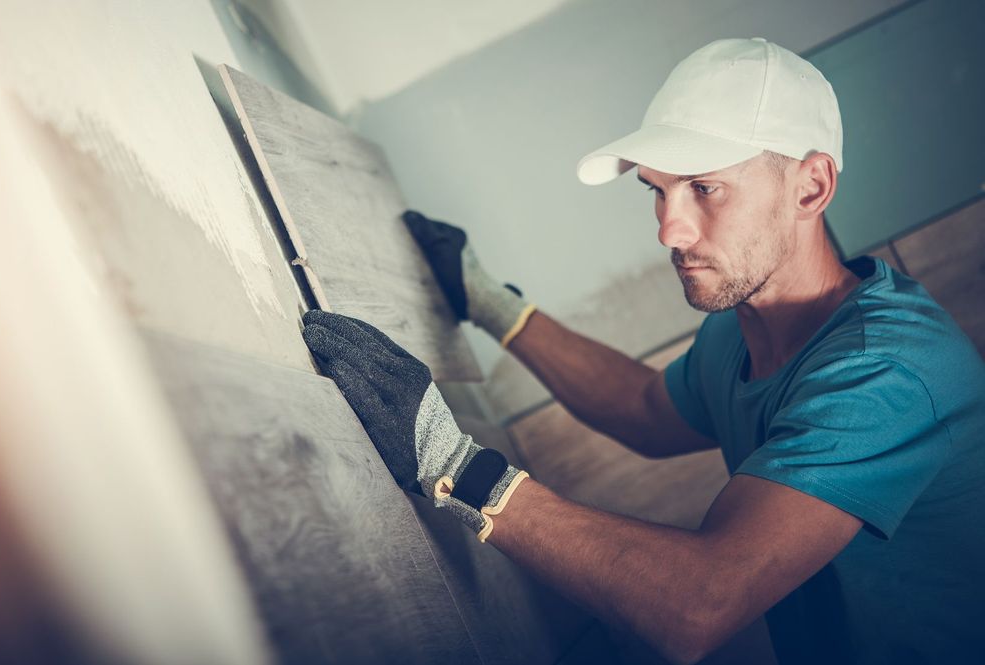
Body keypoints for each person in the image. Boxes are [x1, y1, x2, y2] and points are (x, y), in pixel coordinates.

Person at [300, 38, 985, 665]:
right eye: (657, 191)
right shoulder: (742, 325)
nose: (669, 229)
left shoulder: (888, 370)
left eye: (704, 188)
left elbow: (701, 602)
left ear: (810, 186)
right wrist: (494, 306)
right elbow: (645, 408)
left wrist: (458, 468)